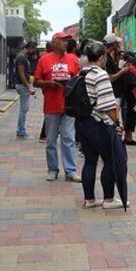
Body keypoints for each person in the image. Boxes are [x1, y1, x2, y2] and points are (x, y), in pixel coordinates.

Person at [79, 41, 127, 210]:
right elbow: (108, 105)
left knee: (90, 161)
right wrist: (117, 123)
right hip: (99, 124)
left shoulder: (82, 73)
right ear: (101, 58)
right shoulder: (100, 75)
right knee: (111, 160)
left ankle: (89, 199)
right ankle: (108, 199)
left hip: (84, 123)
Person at [33, 32, 81, 181]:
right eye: (63, 40)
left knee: (68, 138)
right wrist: (48, 84)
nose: (66, 43)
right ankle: (52, 169)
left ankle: (71, 171)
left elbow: (78, 80)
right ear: (54, 43)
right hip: (51, 105)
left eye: (67, 41)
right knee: (51, 140)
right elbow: (36, 81)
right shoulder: (44, 60)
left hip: (69, 106)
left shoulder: (73, 59)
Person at [103, 33, 136, 146]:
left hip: (117, 92)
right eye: (116, 43)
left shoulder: (111, 57)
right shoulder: (106, 59)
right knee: (113, 119)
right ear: (112, 44)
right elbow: (110, 77)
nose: (118, 45)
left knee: (115, 118)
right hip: (113, 93)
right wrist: (122, 71)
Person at [14, 41, 38, 139]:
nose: (34, 52)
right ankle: (21, 131)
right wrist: (28, 86)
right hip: (22, 86)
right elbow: (21, 73)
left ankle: (21, 130)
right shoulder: (21, 57)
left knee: (24, 108)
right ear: (30, 48)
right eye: (34, 49)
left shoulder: (23, 57)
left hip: (23, 85)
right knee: (23, 109)